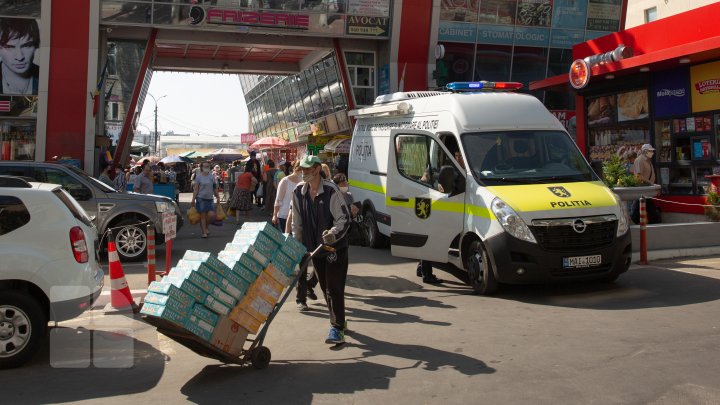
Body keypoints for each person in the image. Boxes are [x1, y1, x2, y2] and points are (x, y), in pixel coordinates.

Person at [291, 155, 351, 344]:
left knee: (334, 289)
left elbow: (344, 219)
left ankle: (337, 328)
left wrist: (333, 233)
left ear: (317, 169)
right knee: (325, 288)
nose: (304, 173)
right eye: (302, 169)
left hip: (335, 249)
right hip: (315, 250)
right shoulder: (299, 192)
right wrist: (296, 246)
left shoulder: (331, 191)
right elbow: (297, 223)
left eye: (307, 169)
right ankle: (339, 321)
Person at [0, 18, 40, 95]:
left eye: (27, 45)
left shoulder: (47, 77)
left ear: (35, 46)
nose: (19, 57)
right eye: (9, 47)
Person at [191, 161, 220, 238]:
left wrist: (218, 196)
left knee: (211, 215)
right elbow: (196, 189)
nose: (206, 168)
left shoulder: (212, 177)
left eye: (208, 166)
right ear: (201, 168)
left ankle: (206, 227)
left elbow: (214, 188)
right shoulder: (198, 177)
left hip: (210, 198)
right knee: (203, 216)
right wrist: (193, 199)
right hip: (200, 198)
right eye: (205, 166)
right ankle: (204, 232)